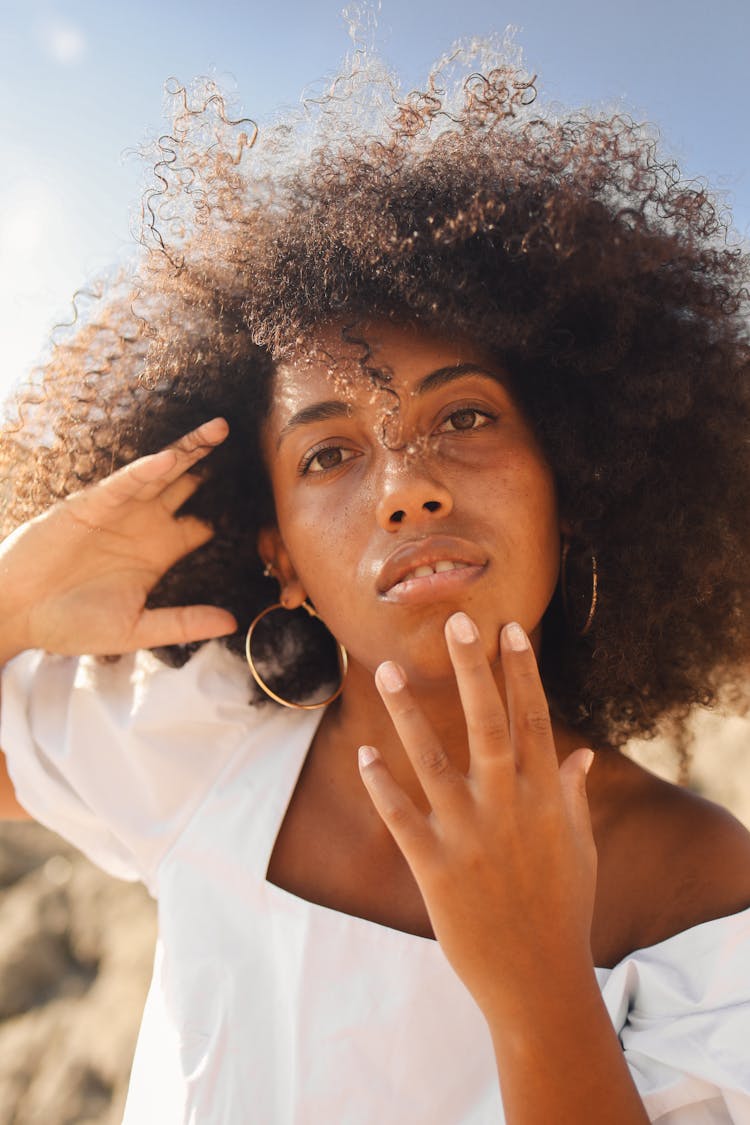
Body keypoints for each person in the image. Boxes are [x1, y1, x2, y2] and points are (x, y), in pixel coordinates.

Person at [0, 42, 749, 1124]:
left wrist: (539, 985)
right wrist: (12, 598)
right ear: (280, 554)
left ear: (572, 481)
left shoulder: (696, 880)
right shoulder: (203, 744)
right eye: (329, 455)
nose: (406, 491)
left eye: (466, 418)